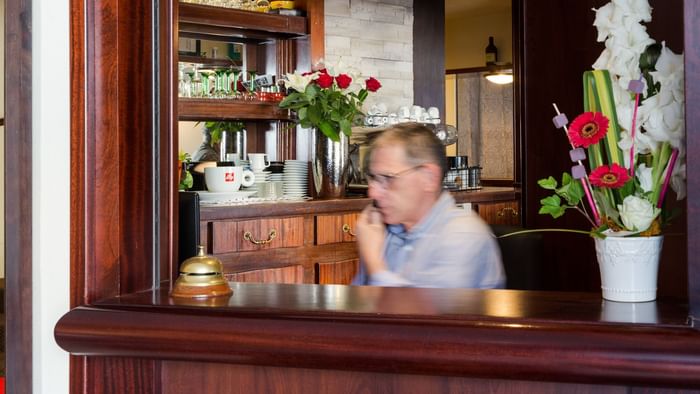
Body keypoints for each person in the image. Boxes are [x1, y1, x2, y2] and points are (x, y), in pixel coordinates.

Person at [351, 123, 506, 288]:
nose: (372, 193)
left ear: (429, 178)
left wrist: (374, 262)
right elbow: (354, 309)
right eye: (373, 178)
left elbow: (424, 312)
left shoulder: (463, 234)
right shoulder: (384, 230)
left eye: (388, 178)